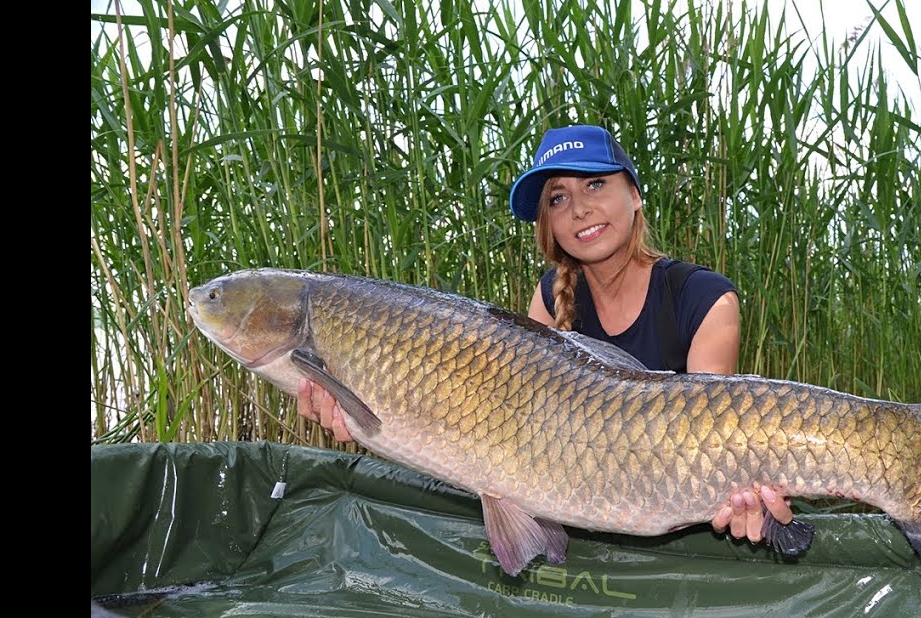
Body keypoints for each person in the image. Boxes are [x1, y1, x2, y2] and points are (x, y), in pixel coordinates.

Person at [297, 123, 790, 544]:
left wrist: (748, 501)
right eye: (559, 198)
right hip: (581, 501)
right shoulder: (551, 297)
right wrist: (368, 412)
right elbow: (515, 434)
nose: (578, 208)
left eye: (595, 185)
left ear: (635, 195)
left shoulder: (704, 298)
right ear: (548, 224)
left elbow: (712, 441)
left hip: (667, 503)